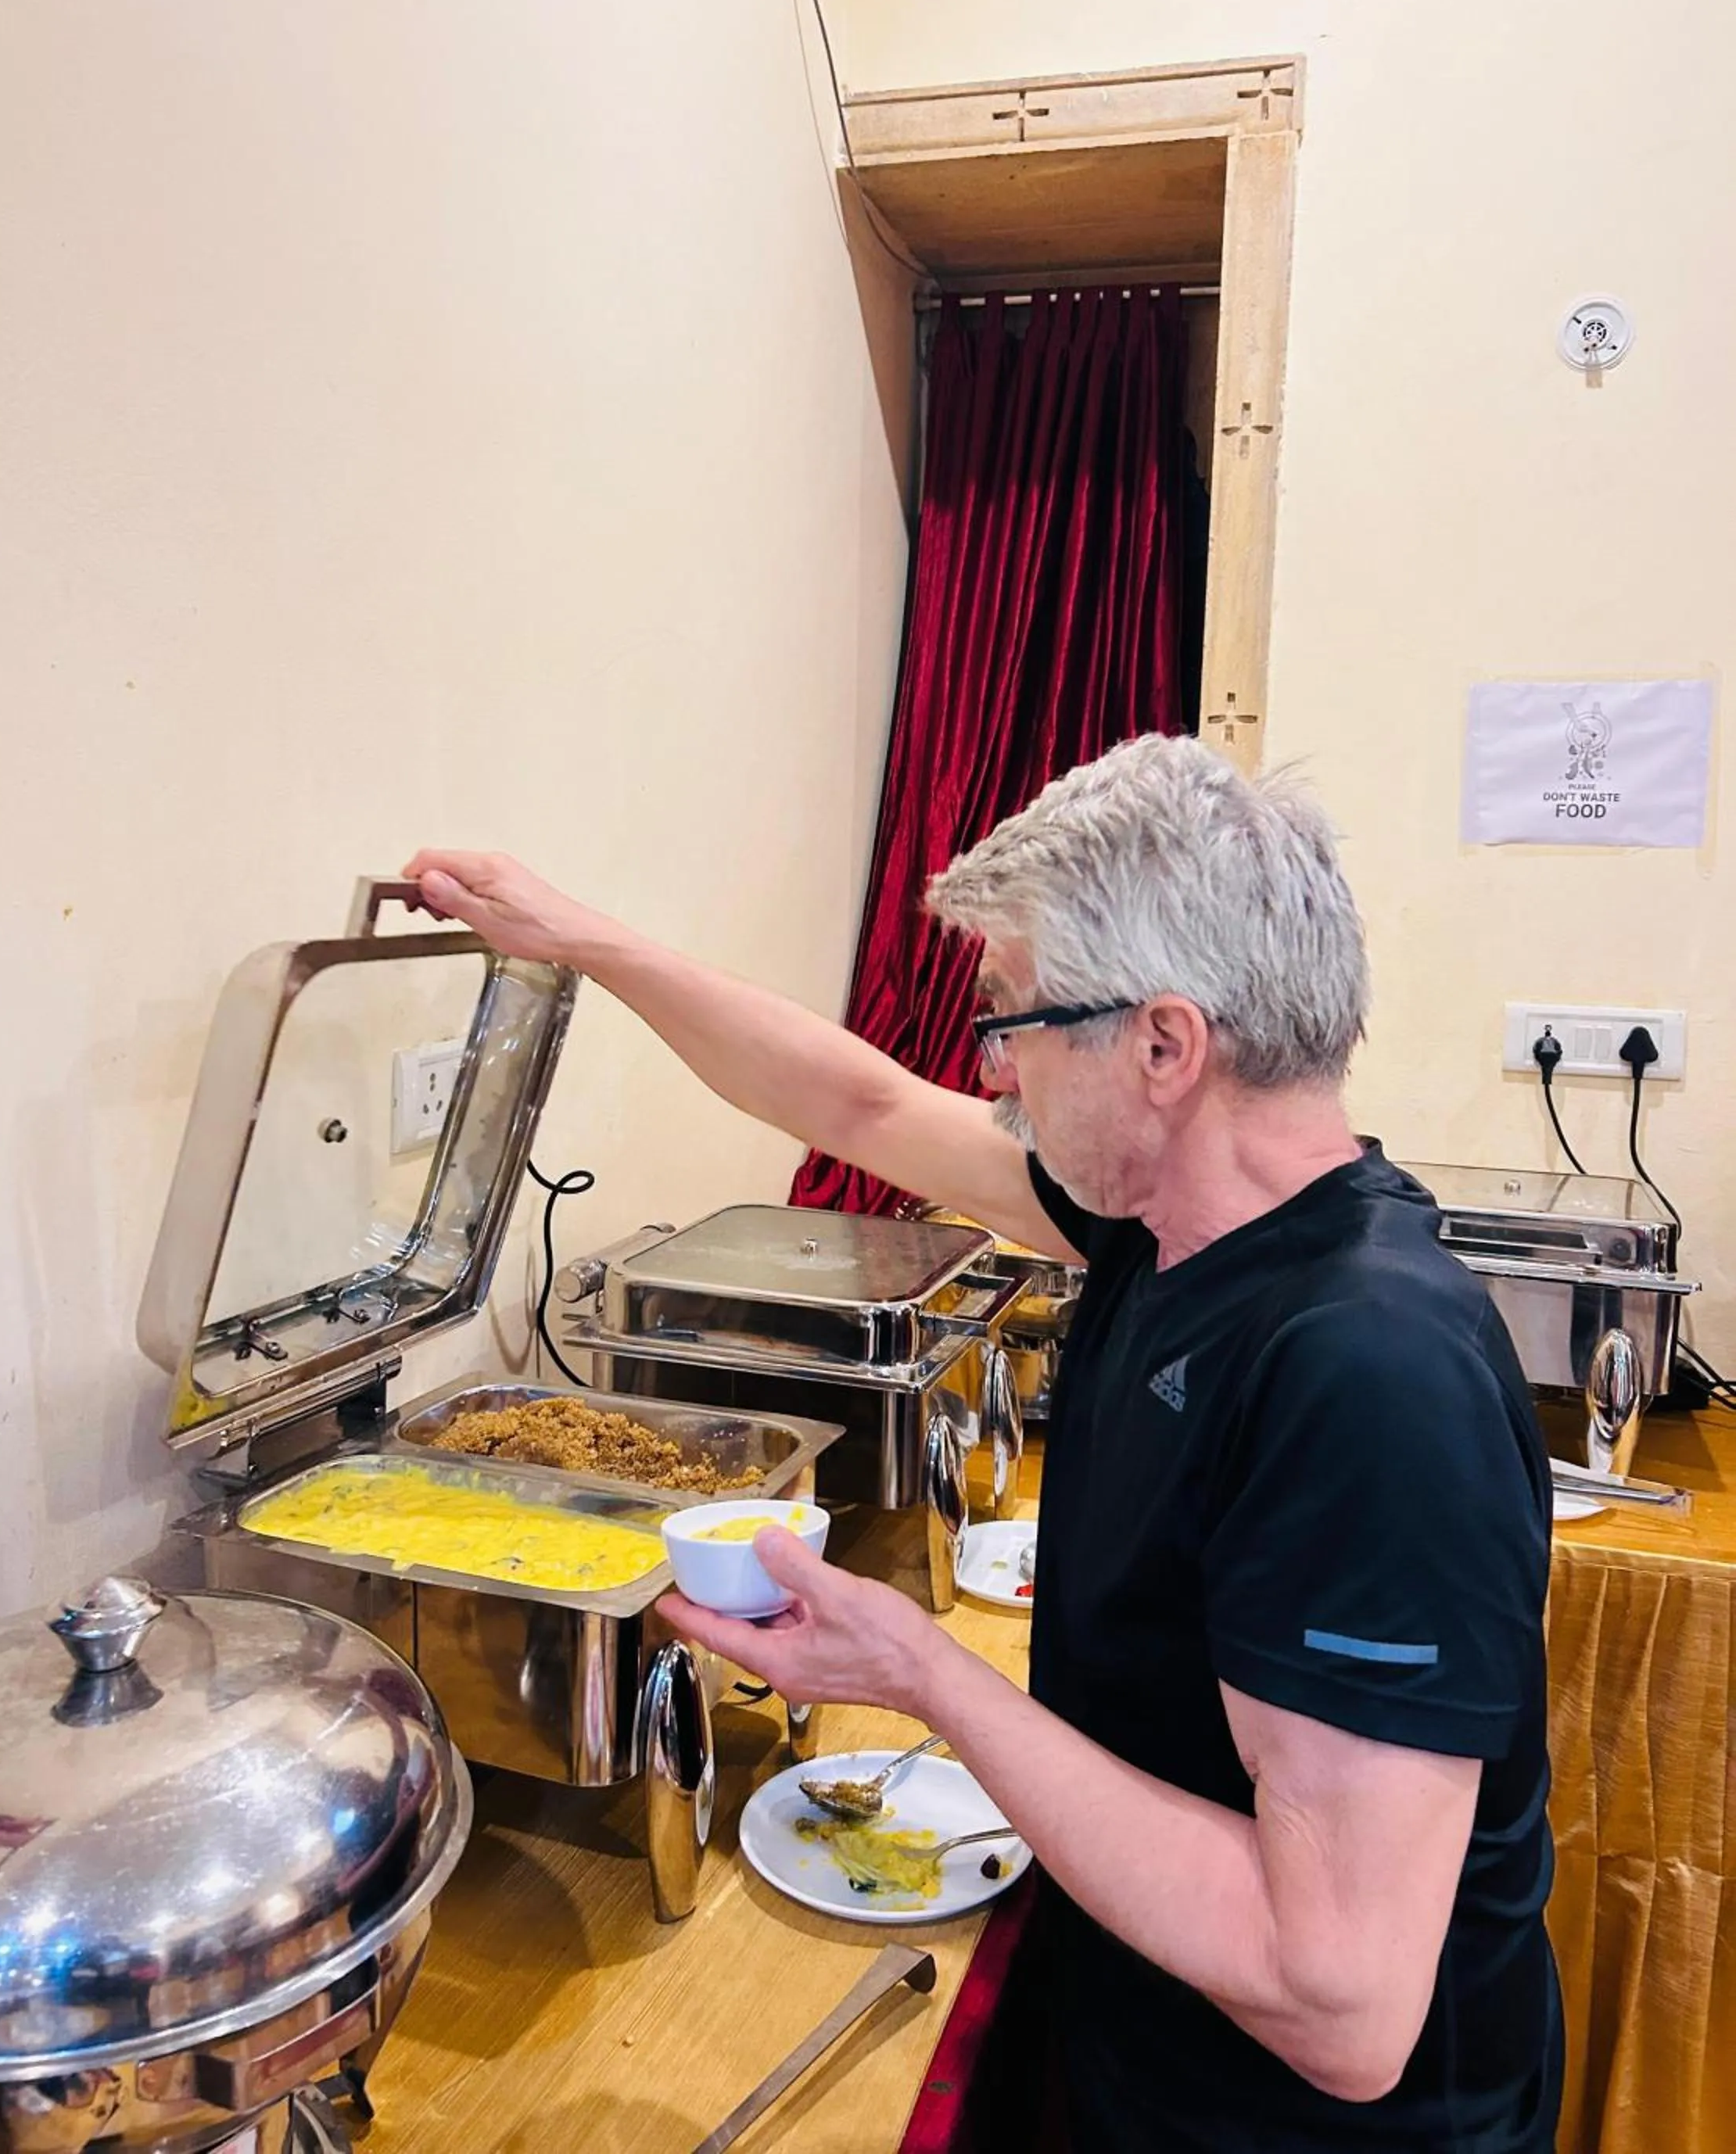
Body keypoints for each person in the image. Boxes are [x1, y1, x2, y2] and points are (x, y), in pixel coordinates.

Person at [404, 732, 1561, 2153]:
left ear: (1161, 1044)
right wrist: (580, 939)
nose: (993, 1072)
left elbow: (1338, 2004)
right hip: (1144, 2041)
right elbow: (860, 1102)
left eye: (1008, 1020)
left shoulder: (1368, 1376)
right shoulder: (1169, 1227)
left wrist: (919, 1672)